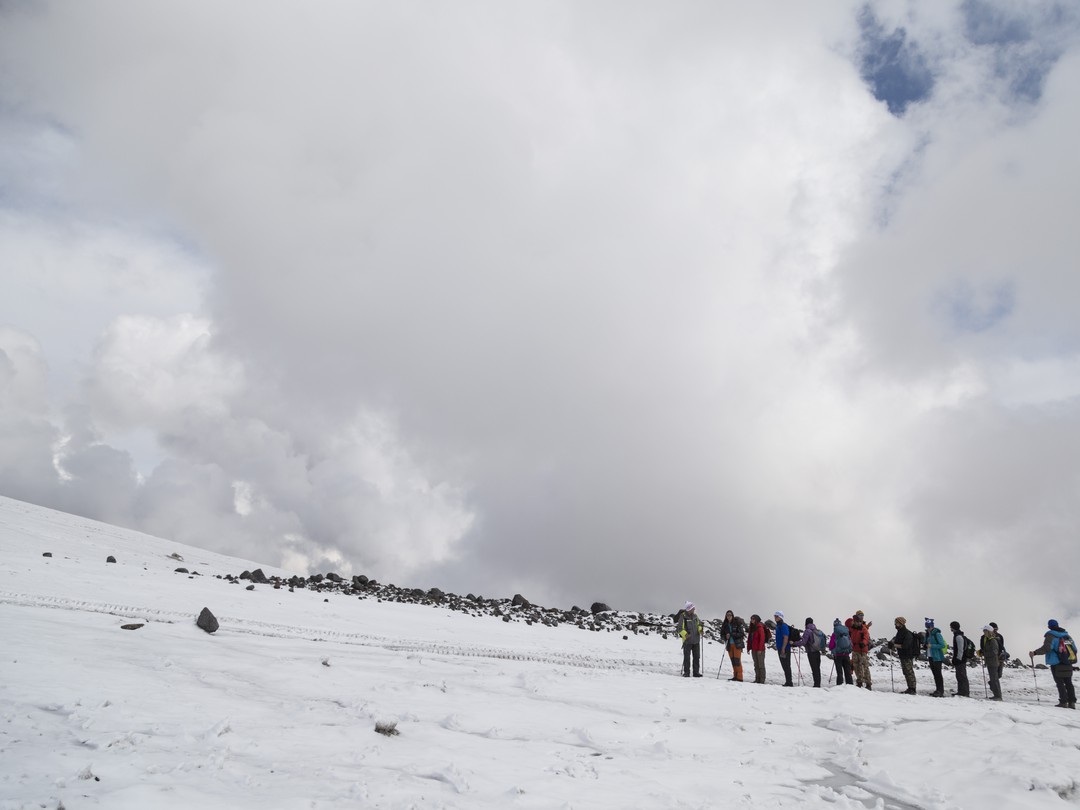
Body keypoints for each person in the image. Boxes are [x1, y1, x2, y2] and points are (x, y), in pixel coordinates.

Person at [1029, 619, 1076, 709]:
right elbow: (1074, 649)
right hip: (1067, 662)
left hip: (1056, 662)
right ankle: (1072, 702)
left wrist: (1034, 652)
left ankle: (1063, 702)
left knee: (1060, 682)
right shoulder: (1066, 636)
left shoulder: (1051, 635)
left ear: (1049, 626)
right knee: (1069, 682)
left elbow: (1047, 648)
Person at [888, 617, 918, 694]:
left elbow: (905, 645)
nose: (895, 624)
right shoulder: (900, 632)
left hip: (908, 655)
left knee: (909, 671)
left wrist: (894, 645)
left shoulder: (907, 633)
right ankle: (910, 687)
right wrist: (892, 643)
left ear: (901, 623)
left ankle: (912, 688)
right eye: (895, 623)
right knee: (906, 672)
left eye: (897, 623)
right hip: (903, 655)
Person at [791, 617, 823, 687]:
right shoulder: (816, 630)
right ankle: (818, 684)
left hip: (811, 653)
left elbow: (803, 642)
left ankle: (816, 685)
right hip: (817, 652)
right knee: (817, 668)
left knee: (814, 669)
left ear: (806, 623)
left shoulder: (808, 631)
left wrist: (794, 643)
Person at [676, 602, 704, 677]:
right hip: (687, 641)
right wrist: (685, 634)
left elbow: (699, 625)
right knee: (687, 657)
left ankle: (696, 672)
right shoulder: (683, 617)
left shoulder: (695, 616)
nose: (694, 609)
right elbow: (679, 628)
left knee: (696, 657)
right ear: (689, 609)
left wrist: (700, 630)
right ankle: (686, 672)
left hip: (696, 640)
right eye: (692, 608)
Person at [720, 610, 746, 682]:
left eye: (730, 615)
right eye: (727, 615)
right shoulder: (725, 624)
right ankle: (735, 676)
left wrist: (731, 634)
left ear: (732, 615)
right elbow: (721, 635)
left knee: (737, 661)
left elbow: (741, 633)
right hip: (729, 645)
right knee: (733, 661)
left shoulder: (737, 623)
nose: (729, 616)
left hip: (737, 644)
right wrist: (725, 636)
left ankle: (740, 677)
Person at [850, 611, 873, 690]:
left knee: (864, 666)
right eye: (857, 621)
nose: (858, 623)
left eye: (859, 621)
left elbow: (866, 637)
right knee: (856, 666)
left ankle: (868, 683)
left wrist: (863, 642)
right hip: (855, 649)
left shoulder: (863, 629)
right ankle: (859, 681)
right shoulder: (852, 629)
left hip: (862, 650)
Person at [924, 618, 947, 697]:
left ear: (932, 626)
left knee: (938, 674)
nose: (928, 629)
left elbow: (942, 645)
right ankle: (938, 690)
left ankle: (940, 691)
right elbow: (926, 643)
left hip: (937, 657)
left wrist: (932, 646)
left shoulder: (937, 634)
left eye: (929, 627)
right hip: (930, 656)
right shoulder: (928, 634)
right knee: (935, 674)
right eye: (927, 627)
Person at [980, 624, 1003, 701]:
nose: (983, 632)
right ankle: (997, 695)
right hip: (991, 662)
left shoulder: (992, 640)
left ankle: (998, 696)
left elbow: (994, 652)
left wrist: (984, 654)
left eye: (984, 631)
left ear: (988, 631)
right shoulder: (988, 639)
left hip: (993, 662)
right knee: (994, 678)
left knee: (994, 679)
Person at [829, 618, 854, 685]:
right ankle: (850, 684)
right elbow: (850, 643)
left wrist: (833, 652)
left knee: (839, 672)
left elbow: (831, 645)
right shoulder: (846, 633)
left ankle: (840, 685)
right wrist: (848, 651)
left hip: (838, 655)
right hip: (846, 654)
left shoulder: (834, 634)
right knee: (848, 671)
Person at [949, 621, 970, 697]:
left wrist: (958, 659)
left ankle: (964, 692)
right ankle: (962, 691)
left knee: (961, 675)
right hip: (961, 659)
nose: (950, 628)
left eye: (951, 627)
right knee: (960, 675)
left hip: (960, 660)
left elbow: (960, 649)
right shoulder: (959, 635)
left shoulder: (958, 636)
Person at [774, 611, 794, 687]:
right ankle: (788, 681)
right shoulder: (778, 626)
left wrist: (783, 648)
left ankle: (789, 682)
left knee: (786, 665)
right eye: (775, 616)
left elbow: (786, 637)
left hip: (785, 649)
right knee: (784, 665)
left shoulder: (783, 626)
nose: (775, 617)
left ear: (780, 617)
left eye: (776, 616)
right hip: (781, 648)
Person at [748, 614, 767, 684]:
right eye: (751, 618)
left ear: (756, 619)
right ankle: (757, 679)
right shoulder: (752, 627)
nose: (752, 620)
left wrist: (760, 649)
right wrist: (749, 648)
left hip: (760, 650)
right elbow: (750, 639)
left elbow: (762, 639)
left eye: (753, 619)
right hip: (754, 649)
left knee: (761, 665)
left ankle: (762, 680)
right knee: (756, 664)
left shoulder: (760, 627)